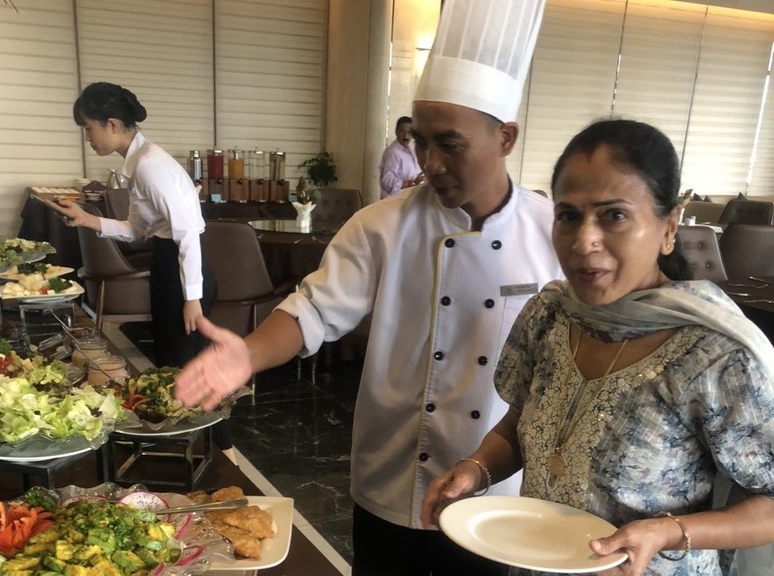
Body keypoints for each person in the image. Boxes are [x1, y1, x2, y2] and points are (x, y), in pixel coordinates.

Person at [176, 1, 557, 574]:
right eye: (420, 141)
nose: (428, 162)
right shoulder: (382, 223)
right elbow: (312, 310)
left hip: (491, 489)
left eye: (448, 143)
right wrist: (250, 353)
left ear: (505, 136)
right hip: (392, 472)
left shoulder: (553, 232)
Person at [421, 118, 774, 576]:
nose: (584, 241)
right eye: (569, 215)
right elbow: (519, 425)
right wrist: (476, 469)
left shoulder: (715, 356)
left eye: (614, 215)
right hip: (537, 562)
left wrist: (666, 532)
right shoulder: (549, 315)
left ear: (669, 227)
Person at [57, 82, 235, 458]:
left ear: (111, 124)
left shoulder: (151, 166)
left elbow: (187, 234)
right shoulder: (138, 165)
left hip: (181, 271)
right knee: (181, 366)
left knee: (186, 369)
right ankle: (209, 449)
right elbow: (137, 230)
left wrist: (193, 299)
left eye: (88, 128)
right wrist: (89, 219)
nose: (88, 138)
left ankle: (218, 452)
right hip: (169, 265)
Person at [379, 116, 422, 199]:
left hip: (408, 198)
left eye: (409, 132)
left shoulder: (411, 150)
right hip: (394, 201)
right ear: (396, 131)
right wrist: (412, 183)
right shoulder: (393, 152)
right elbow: (386, 182)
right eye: (402, 131)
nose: (406, 136)